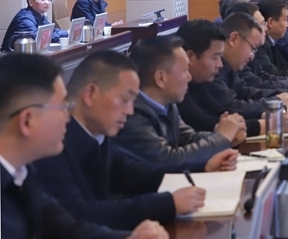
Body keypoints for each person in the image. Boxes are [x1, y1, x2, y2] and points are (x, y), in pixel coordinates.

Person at [34, 51, 238, 231]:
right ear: (90, 94)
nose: (130, 111)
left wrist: (203, 166)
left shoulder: (98, 137)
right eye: (125, 100)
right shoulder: (51, 147)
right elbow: (78, 214)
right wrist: (168, 203)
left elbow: (136, 173)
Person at [0, 54, 166, 239]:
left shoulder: (23, 173)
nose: (67, 115)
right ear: (27, 121)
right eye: (61, 107)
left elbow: (64, 228)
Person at [114, 36, 244, 164]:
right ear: (161, 78)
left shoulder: (168, 105)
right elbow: (168, 159)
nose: (189, 77)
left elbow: (188, 138)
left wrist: (226, 136)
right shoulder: (132, 114)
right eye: (185, 71)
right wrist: (222, 138)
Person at [180, 15, 288, 137]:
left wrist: (262, 115)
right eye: (215, 57)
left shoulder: (197, 83)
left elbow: (223, 114)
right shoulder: (180, 89)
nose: (220, 64)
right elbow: (208, 124)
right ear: (190, 57)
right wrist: (268, 124)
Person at [226, 2, 288, 93]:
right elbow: (255, 85)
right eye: (262, 24)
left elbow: (263, 77)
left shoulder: (255, 48)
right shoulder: (226, 63)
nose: (266, 28)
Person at [2, 0, 68, 52]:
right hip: (12, 55)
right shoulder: (24, 18)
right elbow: (40, 39)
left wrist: (67, 32)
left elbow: (52, 31)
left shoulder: (41, 16)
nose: (47, 2)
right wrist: (66, 34)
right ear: (31, 2)